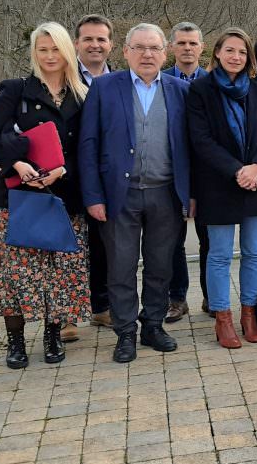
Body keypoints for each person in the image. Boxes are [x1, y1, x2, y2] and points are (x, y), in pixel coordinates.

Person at [79, 23, 191, 363]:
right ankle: (125, 332)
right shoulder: (103, 88)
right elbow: (88, 145)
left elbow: (189, 147)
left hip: (165, 194)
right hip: (119, 195)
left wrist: (190, 194)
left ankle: (153, 326)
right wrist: (93, 196)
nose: (147, 54)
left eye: (154, 48)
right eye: (139, 47)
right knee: (121, 267)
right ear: (125, 51)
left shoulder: (179, 90)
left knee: (160, 266)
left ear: (165, 52)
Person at [0, 23, 90, 368]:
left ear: (67, 51)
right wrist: (15, 162)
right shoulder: (16, 90)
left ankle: (53, 335)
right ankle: (16, 343)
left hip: (63, 196)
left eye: (55, 49)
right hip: (16, 197)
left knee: (58, 271)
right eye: (43, 50)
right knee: (15, 272)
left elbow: (87, 146)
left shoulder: (82, 94)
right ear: (34, 52)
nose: (49, 56)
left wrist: (63, 169)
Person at [186, 28, 257, 348]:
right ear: (216, 53)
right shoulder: (200, 89)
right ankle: (223, 318)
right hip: (219, 182)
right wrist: (236, 170)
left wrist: (255, 167)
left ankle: (249, 314)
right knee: (220, 254)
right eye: (229, 50)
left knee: (255, 252)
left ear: (249, 57)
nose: (235, 57)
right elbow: (201, 140)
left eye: (241, 52)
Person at [163, 21, 208, 323]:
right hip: (170, 173)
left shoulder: (215, 81)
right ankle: (177, 298)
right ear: (171, 48)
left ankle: (210, 295)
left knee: (210, 239)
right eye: (181, 43)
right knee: (172, 240)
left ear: (202, 47)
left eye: (193, 43)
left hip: (208, 174)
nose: (188, 48)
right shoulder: (160, 81)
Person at [74, 14, 115, 337]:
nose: (95, 45)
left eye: (101, 39)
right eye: (88, 39)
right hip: (66, 177)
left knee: (103, 247)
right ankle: (64, 315)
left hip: (109, 179)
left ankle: (101, 308)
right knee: (68, 249)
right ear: (76, 44)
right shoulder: (63, 78)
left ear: (111, 45)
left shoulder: (119, 81)